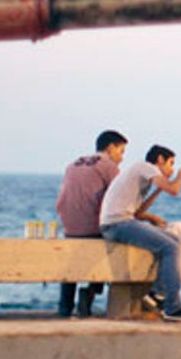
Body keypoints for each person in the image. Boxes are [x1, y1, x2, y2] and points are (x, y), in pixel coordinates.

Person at [98, 144, 181, 322]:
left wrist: (153, 206)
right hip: (116, 224)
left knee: (175, 240)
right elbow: (174, 190)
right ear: (160, 160)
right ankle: (172, 306)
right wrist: (180, 176)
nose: (172, 168)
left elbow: (138, 211)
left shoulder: (143, 175)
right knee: (169, 247)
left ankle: (157, 294)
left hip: (120, 222)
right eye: (171, 163)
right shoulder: (145, 167)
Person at [53, 129, 125, 317]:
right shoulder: (108, 166)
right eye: (121, 151)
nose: (122, 158)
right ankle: (89, 294)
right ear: (110, 148)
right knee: (114, 242)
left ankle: (65, 306)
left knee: (71, 266)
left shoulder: (73, 164)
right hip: (93, 229)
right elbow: (120, 198)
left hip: (69, 228)